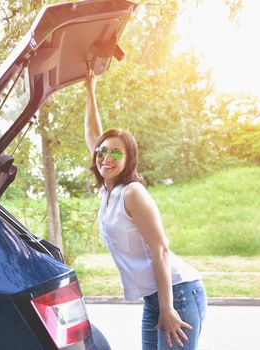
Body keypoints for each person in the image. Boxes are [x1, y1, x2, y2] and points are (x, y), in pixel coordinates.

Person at [84, 68, 207, 350]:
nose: (107, 157)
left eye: (117, 153)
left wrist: (168, 308)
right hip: (155, 299)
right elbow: (94, 135)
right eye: (103, 151)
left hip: (178, 295)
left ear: (129, 160)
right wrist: (90, 88)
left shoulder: (132, 192)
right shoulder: (108, 191)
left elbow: (160, 249)